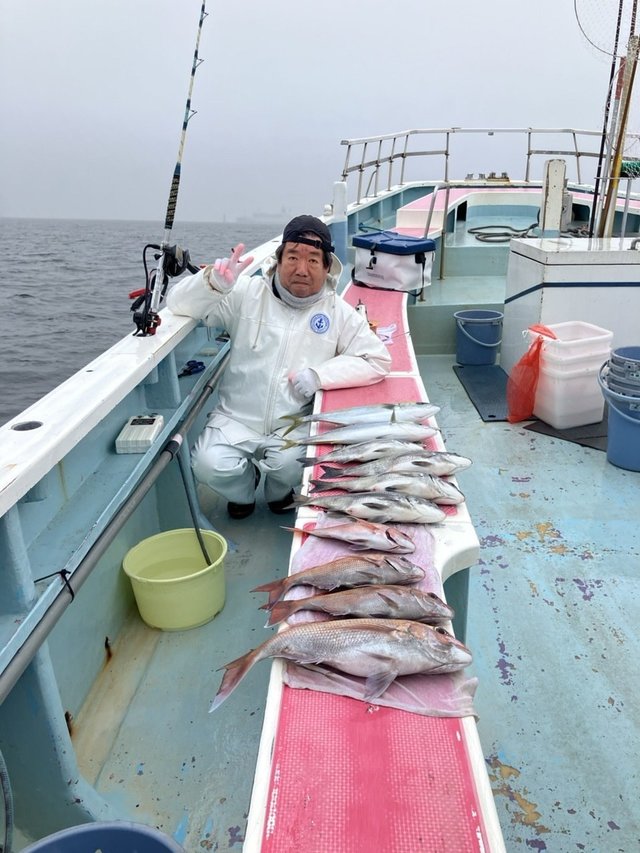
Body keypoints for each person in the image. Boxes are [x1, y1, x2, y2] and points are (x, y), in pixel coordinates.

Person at [166, 214, 391, 519]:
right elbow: (179, 304)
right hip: (237, 416)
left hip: (293, 421)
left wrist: (320, 375)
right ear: (279, 259)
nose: (301, 269)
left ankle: (278, 493)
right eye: (293, 257)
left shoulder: (339, 313)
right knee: (206, 464)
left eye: (313, 260)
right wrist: (213, 284)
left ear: (327, 267)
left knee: (291, 466)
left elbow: (376, 359)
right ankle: (244, 491)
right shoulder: (246, 293)